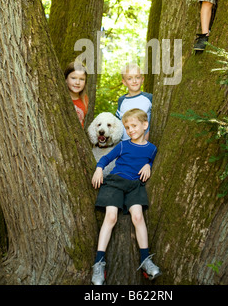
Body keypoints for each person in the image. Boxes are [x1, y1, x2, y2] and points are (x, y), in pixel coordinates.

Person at [91, 108, 161, 285]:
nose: (131, 130)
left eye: (134, 126)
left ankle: (146, 260)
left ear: (145, 125)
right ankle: (99, 263)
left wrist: (149, 166)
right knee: (111, 216)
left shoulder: (152, 149)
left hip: (135, 186)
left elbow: (151, 160)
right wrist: (99, 169)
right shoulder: (123, 145)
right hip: (115, 182)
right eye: (127, 127)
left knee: (138, 217)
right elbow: (105, 159)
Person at [116, 63, 152, 141]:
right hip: (124, 142)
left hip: (142, 142)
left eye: (137, 77)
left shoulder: (149, 98)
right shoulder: (121, 100)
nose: (134, 81)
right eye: (129, 78)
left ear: (142, 79)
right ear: (124, 82)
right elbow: (118, 123)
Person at [64, 61, 88, 127]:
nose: (77, 82)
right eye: (73, 78)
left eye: (82, 79)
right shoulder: (60, 98)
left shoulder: (85, 99)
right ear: (66, 79)